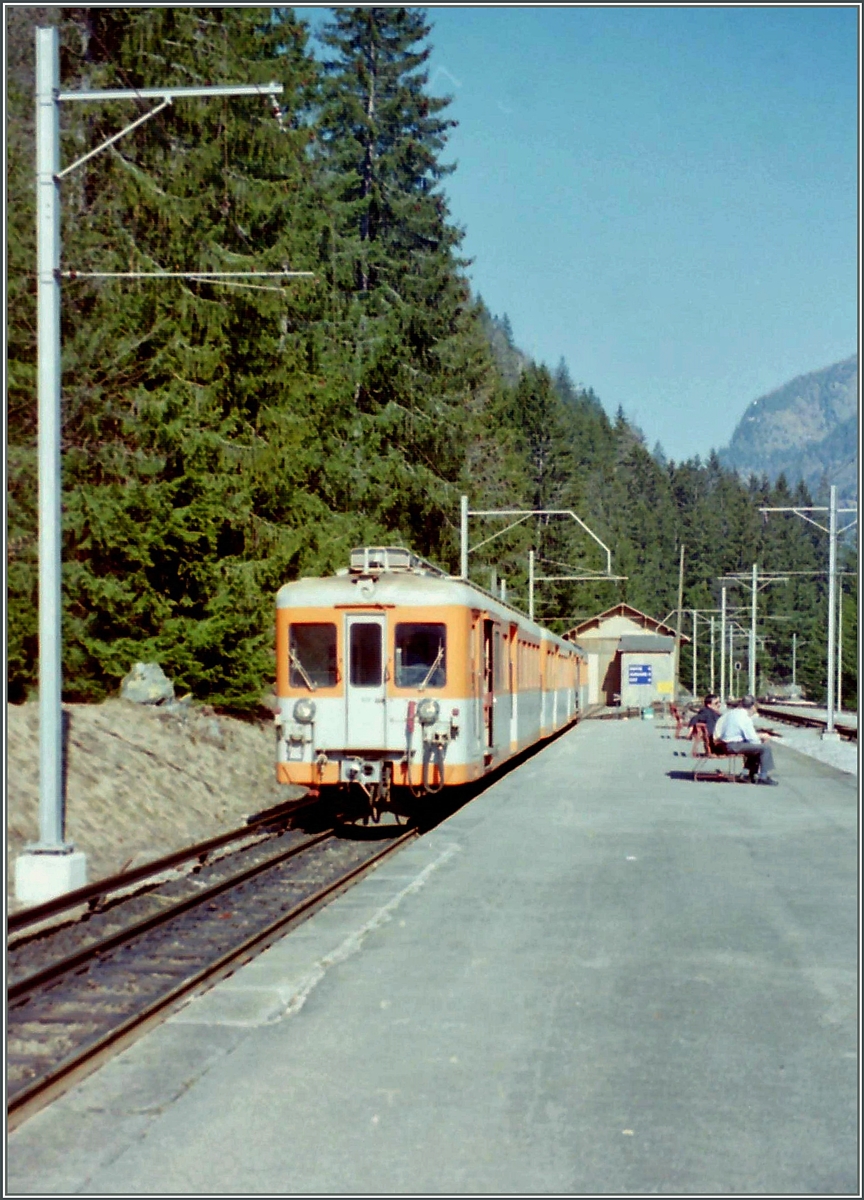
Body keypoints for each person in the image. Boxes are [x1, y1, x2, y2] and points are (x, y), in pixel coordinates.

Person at [714, 695, 778, 785]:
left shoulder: (733, 713)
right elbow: (753, 739)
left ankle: (745, 774)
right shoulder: (744, 718)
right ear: (752, 706)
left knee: (755, 748)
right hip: (733, 745)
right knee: (765, 748)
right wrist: (762, 738)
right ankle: (763, 777)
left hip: (725, 744)